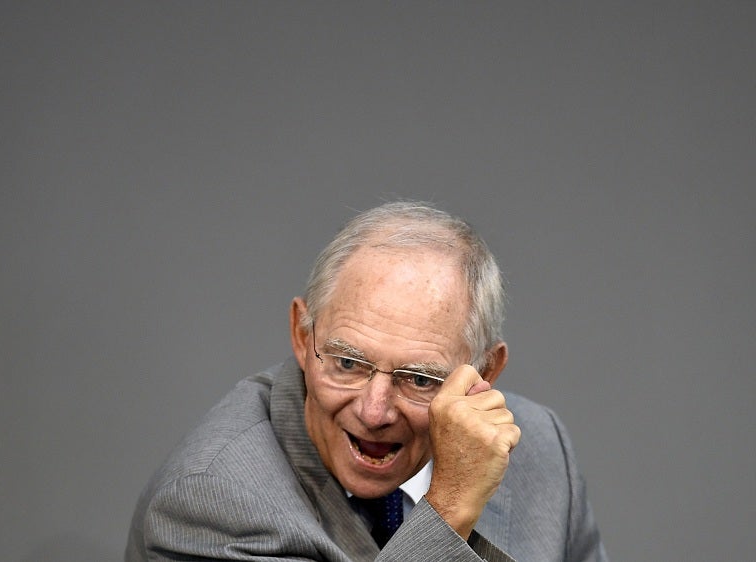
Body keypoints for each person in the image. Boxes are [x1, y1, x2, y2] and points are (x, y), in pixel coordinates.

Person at [126, 201, 607, 561]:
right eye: (348, 364)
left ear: (484, 374)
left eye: (419, 378)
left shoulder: (542, 451)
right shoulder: (212, 497)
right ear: (302, 334)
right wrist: (450, 510)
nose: (374, 411)